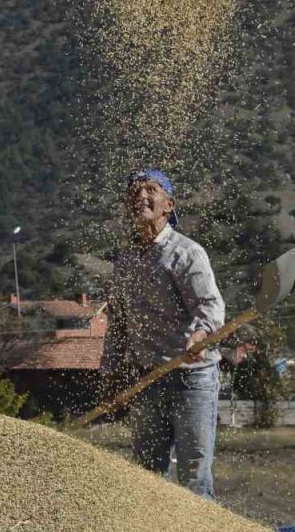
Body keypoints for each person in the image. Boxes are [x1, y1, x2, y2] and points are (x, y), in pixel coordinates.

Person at [102, 169, 225, 498]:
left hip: (192, 378)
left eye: (150, 189)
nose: (141, 195)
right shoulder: (126, 260)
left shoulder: (186, 253)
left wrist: (200, 335)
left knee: (193, 475)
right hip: (149, 379)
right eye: (135, 191)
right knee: (146, 476)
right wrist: (111, 372)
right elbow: (118, 323)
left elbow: (210, 307)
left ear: (168, 204)